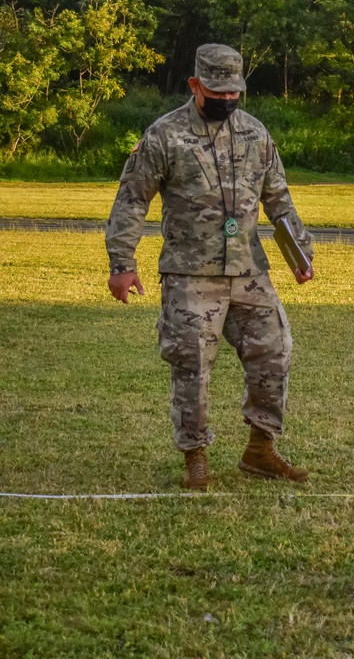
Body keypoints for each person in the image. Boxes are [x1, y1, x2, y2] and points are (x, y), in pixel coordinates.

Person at [105, 43, 315, 491]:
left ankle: (260, 449)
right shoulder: (164, 135)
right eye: (217, 93)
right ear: (195, 86)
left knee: (275, 353)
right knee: (192, 365)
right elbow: (132, 200)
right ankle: (195, 456)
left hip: (248, 272)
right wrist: (123, 263)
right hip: (189, 273)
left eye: (234, 93)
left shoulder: (256, 134)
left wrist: (300, 253)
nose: (226, 101)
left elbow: (279, 200)